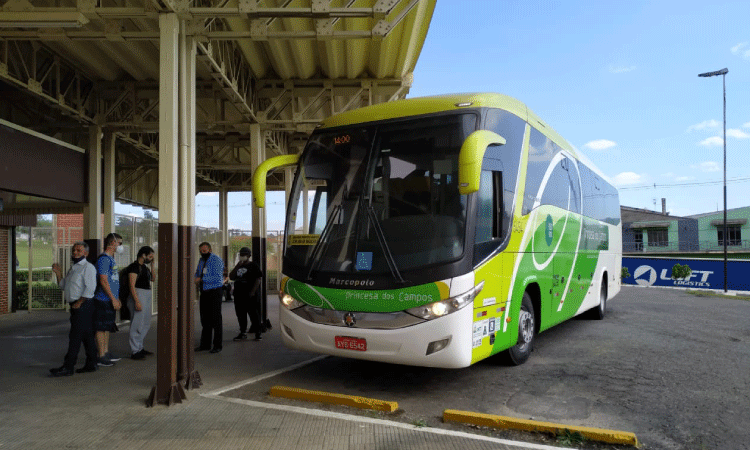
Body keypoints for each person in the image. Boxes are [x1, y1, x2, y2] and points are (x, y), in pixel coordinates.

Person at [49, 242, 98, 377]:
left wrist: (80, 302)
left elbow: (90, 289)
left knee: (75, 337)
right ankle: (92, 363)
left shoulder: (88, 268)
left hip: (83, 306)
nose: (75, 252)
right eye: (74, 250)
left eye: (78, 250)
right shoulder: (74, 268)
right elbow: (63, 285)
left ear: (85, 253)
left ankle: (68, 366)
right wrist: (58, 273)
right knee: (87, 336)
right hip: (76, 306)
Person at [93, 233, 123, 367]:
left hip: (110, 299)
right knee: (101, 327)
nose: (120, 246)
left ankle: (105, 352)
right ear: (112, 243)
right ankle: (101, 355)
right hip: (103, 299)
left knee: (107, 327)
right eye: (119, 243)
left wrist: (116, 298)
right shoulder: (104, 260)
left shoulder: (111, 259)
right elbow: (103, 281)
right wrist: (112, 298)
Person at [125, 246, 155, 360]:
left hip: (146, 293)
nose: (151, 258)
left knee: (145, 323)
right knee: (136, 323)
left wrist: (152, 265)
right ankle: (135, 350)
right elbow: (131, 285)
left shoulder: (145, 268)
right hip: (138, 294)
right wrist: (137, 301)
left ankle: (140, 346)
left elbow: (153, 279)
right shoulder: (134, 267)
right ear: (143, 255)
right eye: (150, 256)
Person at [194, 242, 224, 353]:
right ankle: (205, 344)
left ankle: (217, 345)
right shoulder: (201, 260)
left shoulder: (216, 260)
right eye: (201, 251)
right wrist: (196, 278)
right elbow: (198, 272)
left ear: (210, 250)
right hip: (204, 292)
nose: (203, 252)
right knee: (205, 319)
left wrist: (201, 279)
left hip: (214, 291)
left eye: (205, 251)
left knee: (216, 318)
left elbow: (216, 276)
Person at [229, 247, 263, 341]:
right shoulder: (239, 266)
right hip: (239, 295)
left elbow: (258, 279)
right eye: (241, 255)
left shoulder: (253, 265)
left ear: (248, 256)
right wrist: (237, 266)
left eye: (244, 255)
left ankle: (257, 332)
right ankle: (243, 332)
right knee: (240, 314)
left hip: (250, 295)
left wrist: (252, 292)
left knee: (253, 314)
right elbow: (231, 276)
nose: (242, 256)